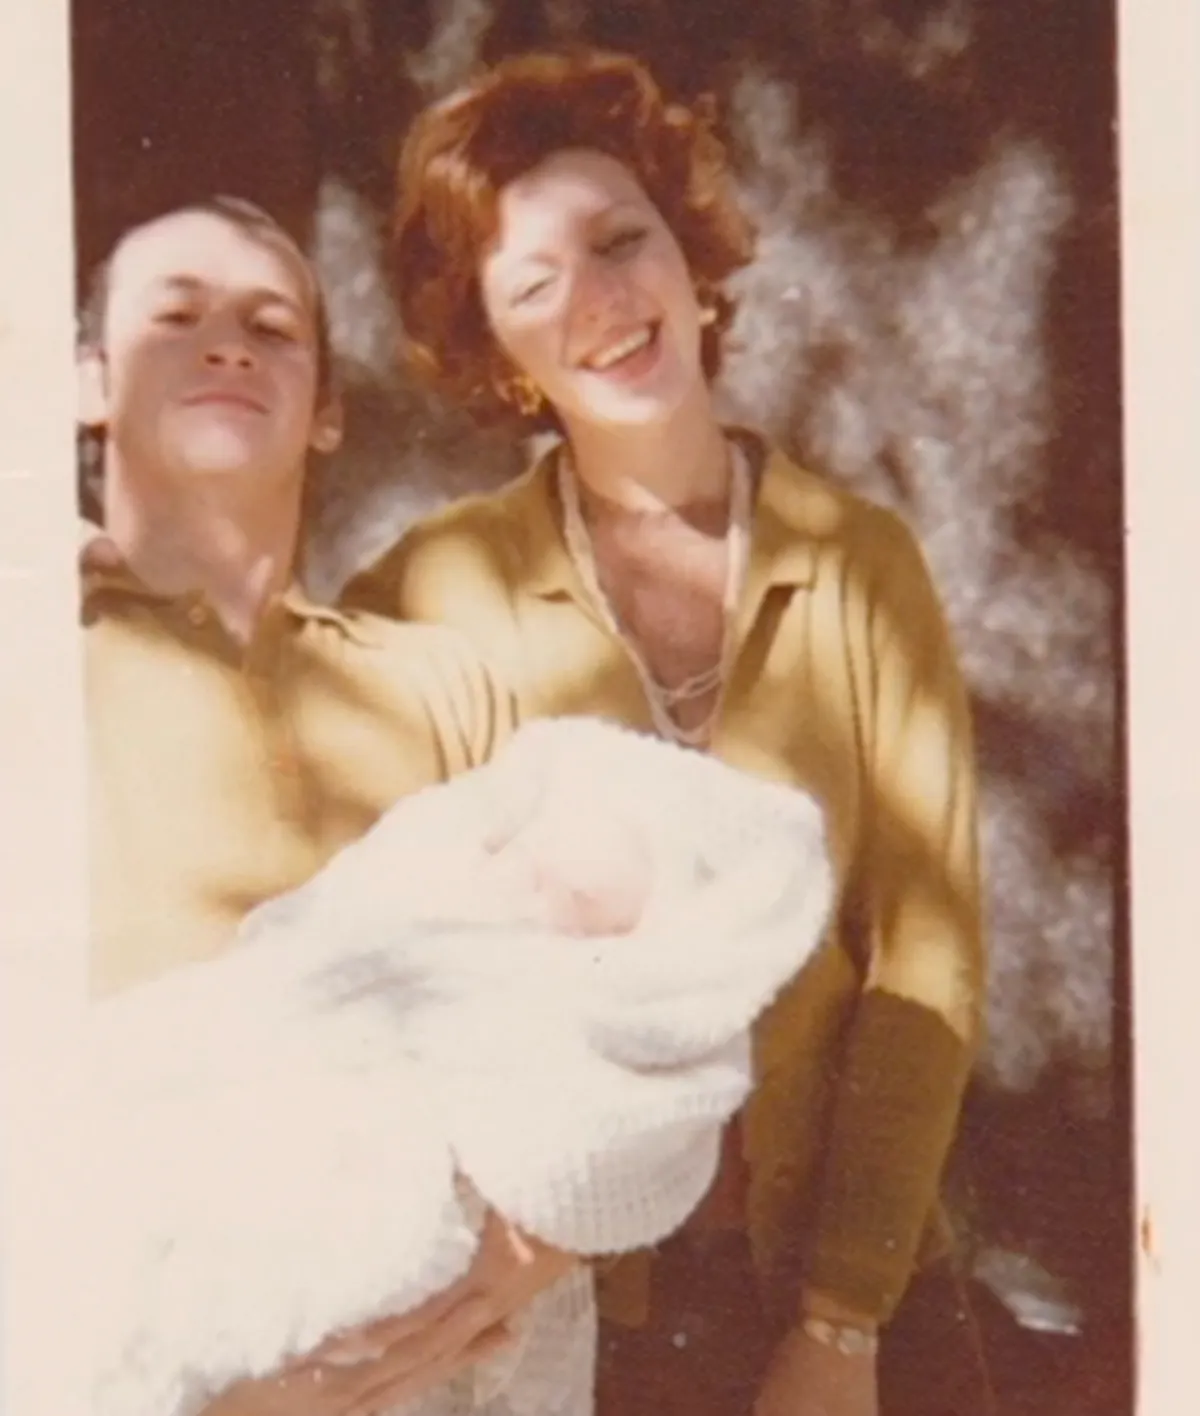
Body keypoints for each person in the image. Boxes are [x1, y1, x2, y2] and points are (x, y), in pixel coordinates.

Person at [345, 47, 994, 1416]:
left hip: (860, 1280)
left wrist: (840, 1324)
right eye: (535, 286)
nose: (599, 301)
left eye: (619, 241)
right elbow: (320, 852)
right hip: (583, 1309)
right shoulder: (434, 587)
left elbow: (927, 952)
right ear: (501, 357)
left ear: (691, 261)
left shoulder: (859, 561)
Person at [78, 195, 575, 1416]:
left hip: (439, 1347)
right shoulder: (42, 662)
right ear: (86, 383)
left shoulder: (442, 684)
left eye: (272, 328)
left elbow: (584, 1024)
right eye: (176, 317)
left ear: (329, 411)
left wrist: (526, 1252)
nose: (228, 346)